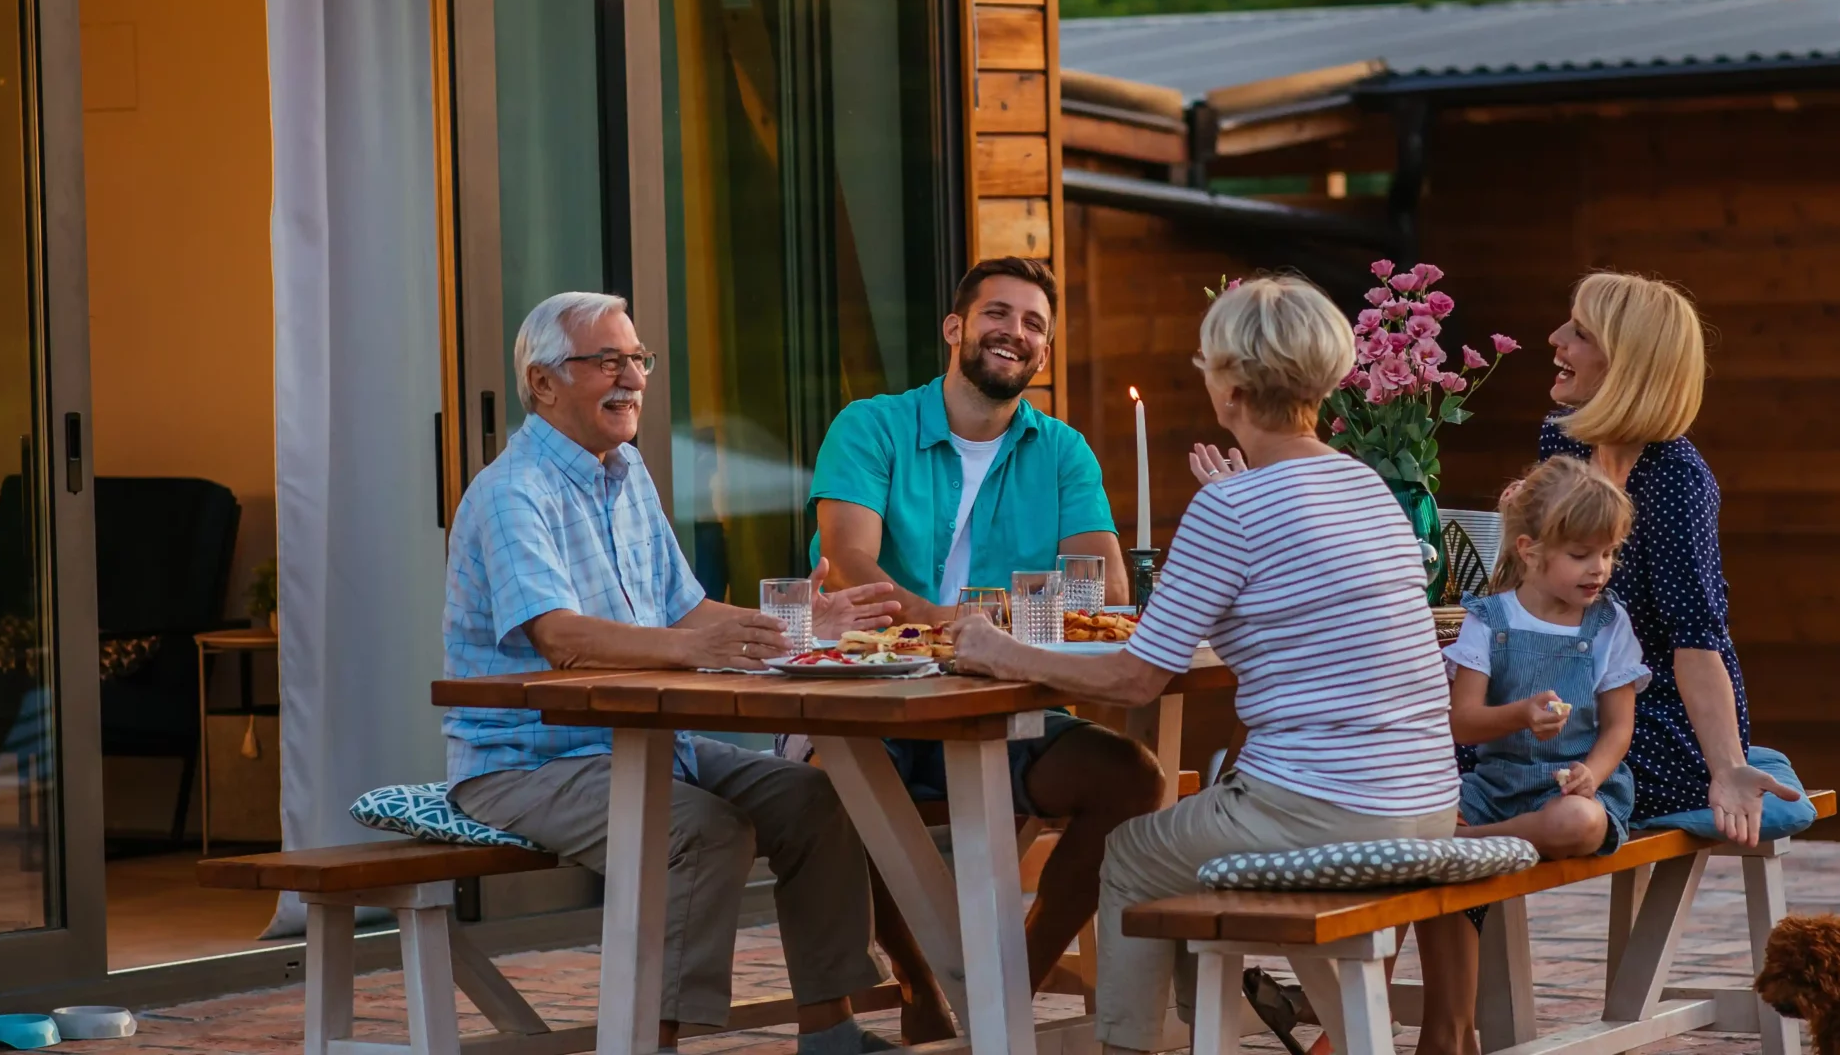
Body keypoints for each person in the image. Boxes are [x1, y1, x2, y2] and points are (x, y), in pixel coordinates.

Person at [949, 273, 1460, 1055]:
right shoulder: (1363, 485)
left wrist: (997, 649)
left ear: (1228, 389)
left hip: (1325, 810)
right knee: (1180, 844)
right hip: (1425, 801)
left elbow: (1136, 678)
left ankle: (1131, 1045)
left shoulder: (1232, 507)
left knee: (1131, 853)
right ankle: (1212, 1024)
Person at [443, 291, 903, 1054]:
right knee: (702, 830)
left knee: (815, 797)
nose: (632, 377)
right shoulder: (511, 492)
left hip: (652, 743)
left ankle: (832, 1036)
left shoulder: (626, 473)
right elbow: (562, 639)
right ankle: (653, 1040)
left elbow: (686, 614)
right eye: (608, 361)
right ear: (545, 383)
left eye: (638, 358)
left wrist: (795, 628)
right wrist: (703, 651)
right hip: (524, 763)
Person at [808, 256, 1163, 1035]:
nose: (1016, 333)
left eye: (1034, 323)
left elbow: (1102, 586)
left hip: (1005, 707)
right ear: (955, 327)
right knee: (830, 791)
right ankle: (918, 988)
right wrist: (963, 627)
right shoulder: (871, 426)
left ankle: (1004, 1004)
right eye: (998, 314)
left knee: (1132, 779)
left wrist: (998, 636)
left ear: (1043, 351)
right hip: (880, 698)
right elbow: (851, 563)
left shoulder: (1062, 450)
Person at [1536, 270, 1812, 847]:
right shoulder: (1561, 441)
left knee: (1490, 771)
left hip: (1655, 711)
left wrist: (1728, 767)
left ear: (1627, 364)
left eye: (1580, 333)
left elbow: (1696, 640)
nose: (1556, 338)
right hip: (1571, 685)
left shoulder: (1675, 480)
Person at [1412, 456, 1651, 1055]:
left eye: (1608, 553)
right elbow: (1462, 722)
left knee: (1577, 823)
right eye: (1581, 554)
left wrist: (1590, 776)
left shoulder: (1606, 623)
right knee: (1424, 836)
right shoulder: (1489, 620)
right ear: (1530, 549)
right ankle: (1448, 1030)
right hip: (1496, 780)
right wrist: (1519, 714)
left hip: (1569, 789)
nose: (1599, 569)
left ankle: (1480, 843)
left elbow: (1619, 728)